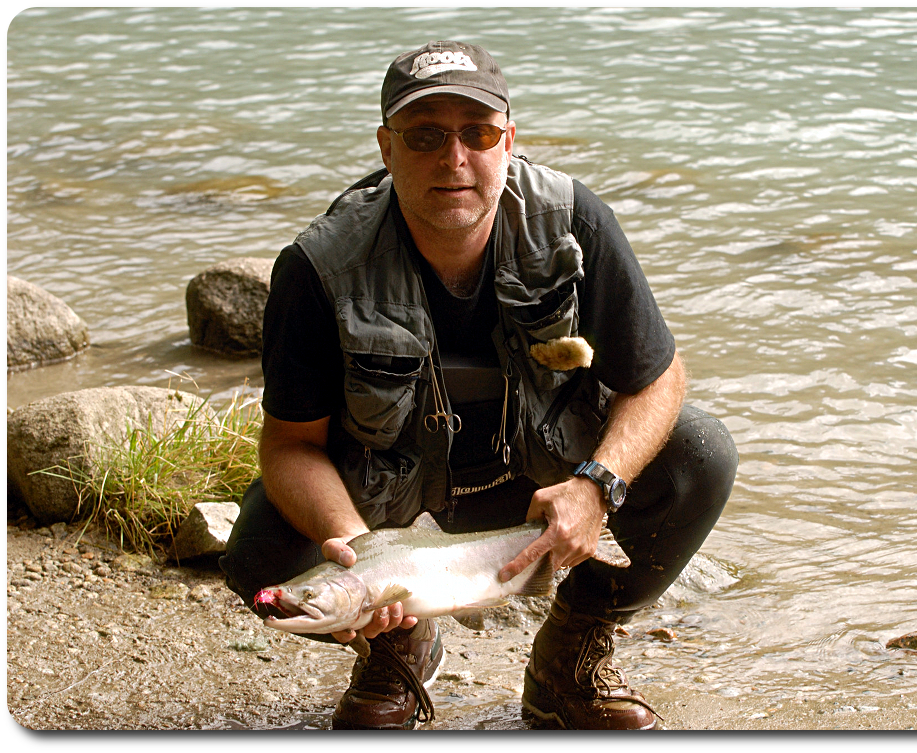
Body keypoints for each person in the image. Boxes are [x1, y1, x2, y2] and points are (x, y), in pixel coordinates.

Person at [219, 40, 738, 731]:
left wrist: (596, 485)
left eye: (478, 132)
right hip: (390, 503)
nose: (453, 157)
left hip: (541, 481)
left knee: (700, 452)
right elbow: (289, 446)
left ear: (509, 141)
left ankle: (572, 651)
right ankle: (398, 639)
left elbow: (658, 378)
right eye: (425, 134)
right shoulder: (317, 267)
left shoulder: (577, 224)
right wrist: (363, 557)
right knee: (259, 552)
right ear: (386, 147)